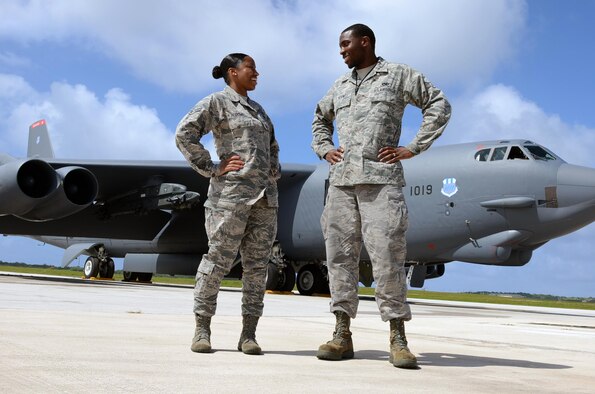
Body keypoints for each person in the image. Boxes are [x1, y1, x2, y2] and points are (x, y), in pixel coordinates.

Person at [311, 24, 451, 369]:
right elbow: (319, 120)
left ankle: (398, 338)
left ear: (365, 42)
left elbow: (438, 105)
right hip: (341, 184)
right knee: (339, 257)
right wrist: (325, 148)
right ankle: (342, 334)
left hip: (381, 182)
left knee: (387, 255)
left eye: (345, 44)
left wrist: (413, 148)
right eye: (339, 45)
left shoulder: (398, 75)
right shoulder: (339, 86)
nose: (341, 50)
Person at [175, 53, 280, 355]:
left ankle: (248, 335)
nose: (257, 73)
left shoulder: (259, 111)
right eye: (251, 69)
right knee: (217, 262)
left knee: (257, 268)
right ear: (233, 72)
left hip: (264, 200)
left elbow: (272, 146)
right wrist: (212, 166)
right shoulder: (217, 103)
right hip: (230, 197)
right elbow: (185, 134)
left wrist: (274, 173)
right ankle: (202, 329)